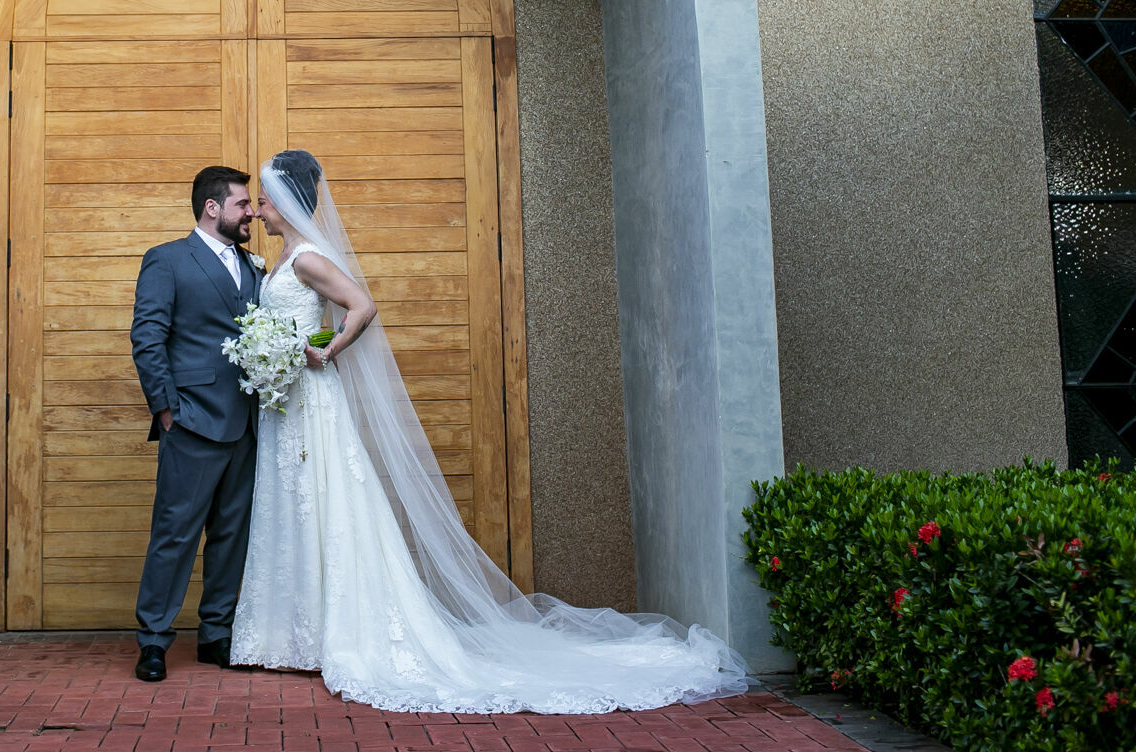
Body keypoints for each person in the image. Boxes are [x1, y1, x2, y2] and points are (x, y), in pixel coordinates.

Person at [230, 148, 750, 713]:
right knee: (295, 503)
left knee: (326, 502)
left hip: (314, 406)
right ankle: (292, 633)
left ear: (285, 201)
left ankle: (335, 630)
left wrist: (326, 352)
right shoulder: (279, 260)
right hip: (285, 408)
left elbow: (362, 305)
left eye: (263, 198)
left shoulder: (308, 258)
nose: (257, 208)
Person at [128, 165, 264, 682]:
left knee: (232, 535)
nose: (250, 211)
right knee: (175, 533)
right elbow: (148, 337)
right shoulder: (166, 260)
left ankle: (216, 635)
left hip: (248, 425)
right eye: (242, 204)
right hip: (191, 422)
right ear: (213, 208)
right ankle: (155, 641)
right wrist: (167, 411)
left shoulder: (254, 267)